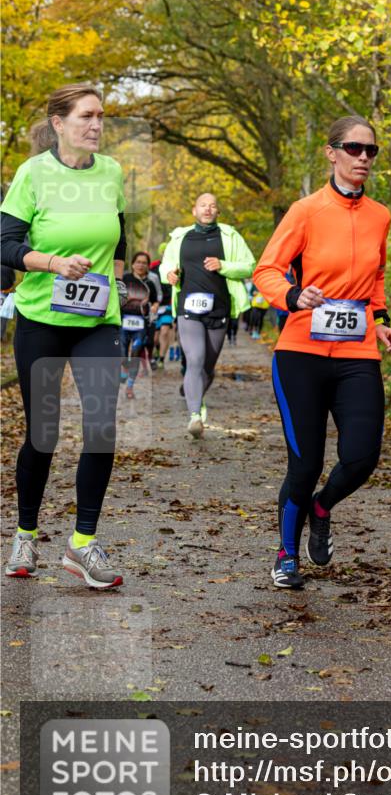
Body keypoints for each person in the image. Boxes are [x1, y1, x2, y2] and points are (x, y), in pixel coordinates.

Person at [253, 115, 391, 589]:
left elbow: (376, 276)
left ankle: (322, 508)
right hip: (301, 353)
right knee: (305, 463)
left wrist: (380, 320)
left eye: (370, 150)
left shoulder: (380, 215)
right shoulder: (305, 211)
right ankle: (286, 554)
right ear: (332, 153)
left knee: (362, 457)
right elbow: (266, 270)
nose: (363, 157)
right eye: (354, 148)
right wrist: (293, 295)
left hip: (357, 353)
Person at [1, 82, 128, 589]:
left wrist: (119, 281)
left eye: (100, 116)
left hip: (98, 320)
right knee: (44, 432)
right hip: (41, 319)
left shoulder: (112, 172)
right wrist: (53, 263)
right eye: (86, 116)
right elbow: (5, 244)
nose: (96, 125)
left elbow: (120, 232)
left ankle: (82, 544)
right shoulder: (32, 174)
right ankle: (25, 534)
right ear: (59, 123)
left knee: (101, 427)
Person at [160, 192, 255, 437]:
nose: (207, 209)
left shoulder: (230, 236)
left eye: (212, 206)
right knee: (195, 359)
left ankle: (194, 393)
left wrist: (224, 265)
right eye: (203, 205)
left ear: (217, 212)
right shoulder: (180, 237)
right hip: (188, 308)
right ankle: (194, 415)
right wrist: (169, 274)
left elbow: (250, 266)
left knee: (208, 366)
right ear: (195, 210)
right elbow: (165, 265)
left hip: (219, 308)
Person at [121, 251, 158, 399]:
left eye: (144, 263)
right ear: (132, 264)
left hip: (141, 324)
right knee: (122, 353)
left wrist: (154, 306)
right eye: (138, 262)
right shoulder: (125, 279)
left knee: (136, 354)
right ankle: (124, 367)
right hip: (123, 321)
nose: (141, 265)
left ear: (148, 266)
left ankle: (130, 387)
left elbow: (155, 301)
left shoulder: (150, 283)